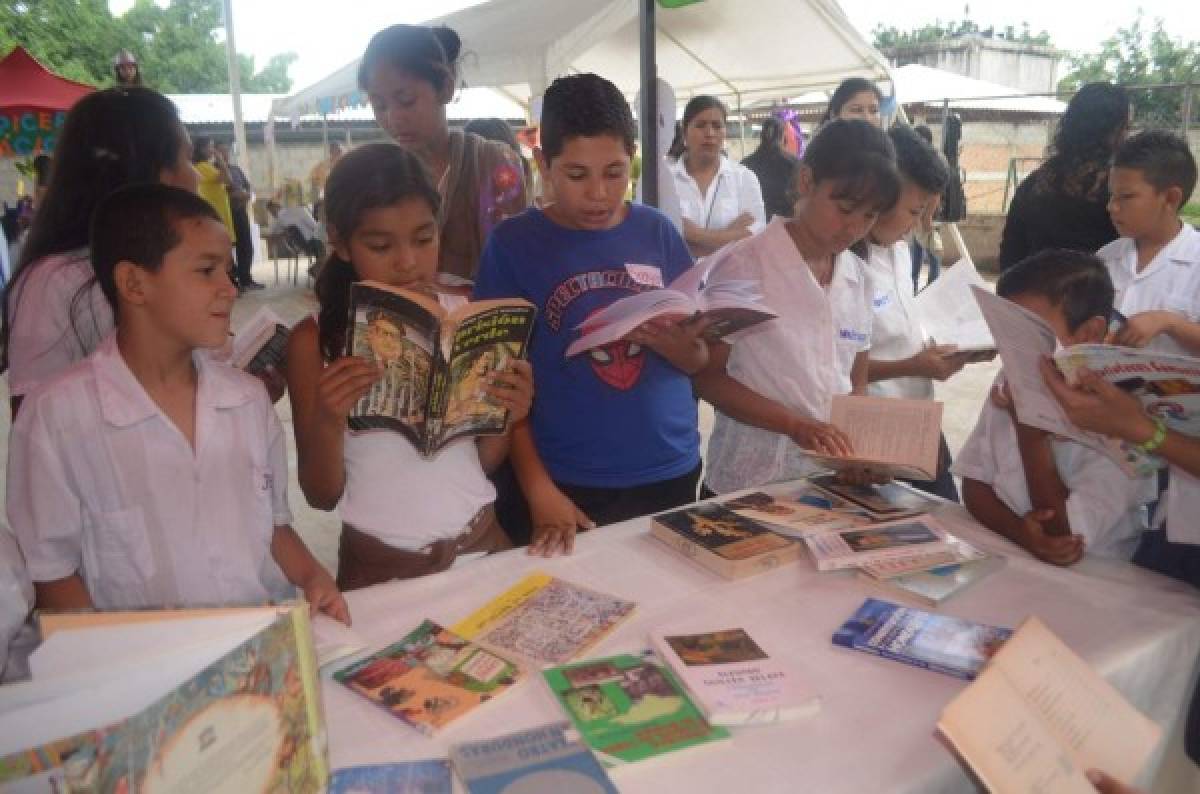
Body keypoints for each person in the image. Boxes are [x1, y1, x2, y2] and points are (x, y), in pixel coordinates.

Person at [6, 183, 347, 622]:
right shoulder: (57, 417)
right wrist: (120, 666)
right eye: (207, 271)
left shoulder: (246, 401)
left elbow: (274, 526)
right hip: (146, 671)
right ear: (133, 283)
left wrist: (314, 575)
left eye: (228, 270)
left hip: (263, 646)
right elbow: (51, 572)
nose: (229, 288)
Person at [473, 73, 709, 555]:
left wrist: (681, 347)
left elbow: (697, 356)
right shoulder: (514, 245)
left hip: (670, 469)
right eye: (577, 175)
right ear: (543, 164)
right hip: (564, 480)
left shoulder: (657, 231)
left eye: (615, 172)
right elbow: (501, 387)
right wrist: (538, 488)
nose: (599, 193)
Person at [286, 143, 533, 589]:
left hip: (482, 544)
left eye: (424, 238)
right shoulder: (315, 340)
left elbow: (481, 463)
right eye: (380, 245)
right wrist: (327, 418)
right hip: (381, 569)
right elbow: (320, 495)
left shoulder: (464, 313)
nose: (407, 261)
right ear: (340, 243)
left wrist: (508, 417)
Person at [693, 119, 901, 496]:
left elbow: (856, 381)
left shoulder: (859, 278)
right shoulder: (746, 265)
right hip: (748, 483)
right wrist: (796, 425)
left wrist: (860, 452)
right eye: (845, 208)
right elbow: (709, 378)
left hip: (826, 484)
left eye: (869, 216)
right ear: (806, 182)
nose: (854, 227)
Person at [1, 86, 199, 417]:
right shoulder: (55, 282)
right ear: (155, 175)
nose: (196, 177)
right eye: (188, 159)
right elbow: (35, 423)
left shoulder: (170, 263)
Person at [954, 249, 1154, 565]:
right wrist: (1020, 532)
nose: (1011, 349)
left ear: (1089, 333)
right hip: (1012, 552)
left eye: (1028, 332)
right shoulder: (1014, 376)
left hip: (1096, 579)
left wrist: (1030, 434)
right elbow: (974, 483)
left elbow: (1063, 537)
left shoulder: (1124, 413)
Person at [359, 24, 528, 282]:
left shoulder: (495, 166)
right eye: (379, 105)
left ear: (445, 89)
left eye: (406, 100)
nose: (393, 118)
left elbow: (513, 268)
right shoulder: (378, 176)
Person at [864, 124, 972, 501]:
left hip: (917, 415)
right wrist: (914, 365)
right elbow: (833, 367)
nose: (916, 222)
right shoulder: (843, 264)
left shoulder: (896, 249)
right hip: (872, 428)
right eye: (914, 210)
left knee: (942, 520)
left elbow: (902, 328)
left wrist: (945, 349)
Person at [999, 82, 1130, 269]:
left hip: (1035, 291)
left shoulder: (1035, 184)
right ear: (1115, 130)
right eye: (1126, 127)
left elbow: (1010, 257)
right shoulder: (1122, 191)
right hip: (1099, 293)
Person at [1098, 130, 1200, 356]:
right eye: (1111, 195)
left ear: (1171, 198)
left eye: (1126, 197)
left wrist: (1169, 322)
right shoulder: (1105, 258)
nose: (1112, 207)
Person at [668, 95, 766, 257]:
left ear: (724, 132)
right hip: (677, 280)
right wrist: (731, 234)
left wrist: (694, 234)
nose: (709, 133)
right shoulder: (664, 181)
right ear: (684, 132)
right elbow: (660, 241)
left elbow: (755, 237)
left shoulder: (744, 178)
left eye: (717, 126)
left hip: (730, 280)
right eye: (700, 125)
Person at [215, 140, 263, 290]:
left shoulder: (236, 169)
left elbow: (248, 186)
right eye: (221, 152)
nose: (225, 155)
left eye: (227, 151)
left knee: (246, 246)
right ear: (215, 153)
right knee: (228, 248)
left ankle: (246, 279)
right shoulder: (214, 170)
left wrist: (247, 194)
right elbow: (224, 189)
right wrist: (237, 195)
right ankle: (232, 282)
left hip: (240, 211)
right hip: (226, 212)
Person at [741, 117, 801, 221]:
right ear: (783, 137)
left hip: (754, 226)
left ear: (761, 136)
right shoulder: (794, 163)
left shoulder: (745, 164)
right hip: (785, 224)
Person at [191, 136, 238, 257]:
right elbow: (227, 179)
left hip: (220, 215)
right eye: (210, 147)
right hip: (216, 215)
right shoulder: (202, 167)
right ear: (202, 150)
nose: (213, 150)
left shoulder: (208, 166)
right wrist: (221, 160)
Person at [308, 141, 344, 209]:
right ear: (331, 152)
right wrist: (315, 200)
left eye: (340, 151)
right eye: (337, 151)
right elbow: (313, 181)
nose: (339, 154)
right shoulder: (322, 166)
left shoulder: (346, 165)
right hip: (326, 197)